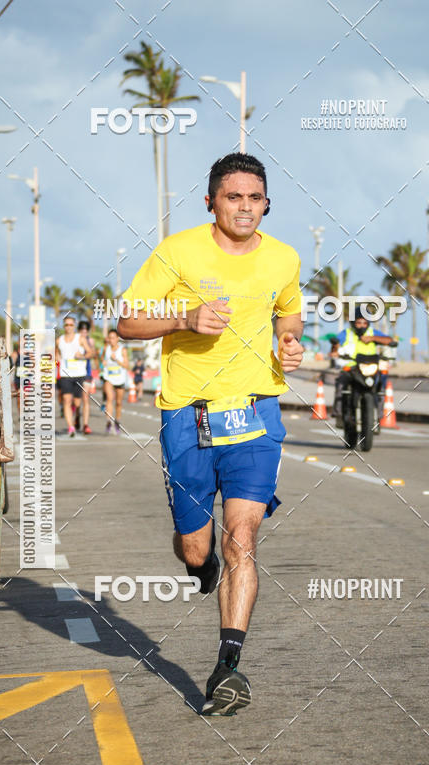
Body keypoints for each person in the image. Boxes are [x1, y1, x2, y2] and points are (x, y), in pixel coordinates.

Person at [117, 152, 304, 716]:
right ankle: (202, 569)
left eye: (254, 198)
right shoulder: (177, 253)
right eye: (233, 197)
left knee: (242, 537)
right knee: (198, 546)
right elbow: (126, 322)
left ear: (266, 204)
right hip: (187, 415)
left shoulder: (284, 258)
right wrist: (183, 319)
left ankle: (228, 666)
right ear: (211, 202)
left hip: (256, 413)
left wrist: (289, 342)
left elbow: (288, 314)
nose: (244, 208)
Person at [333, 311, 396, 427]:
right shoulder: (347, 333)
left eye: (364, 323)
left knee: (381, 386)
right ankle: (339, 415)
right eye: (359, 323)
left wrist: (372, 338)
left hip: (370, 366)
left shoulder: (372, 332)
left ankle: (378, 416)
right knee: (341, 384)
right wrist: (335, 348)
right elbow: (336, 343)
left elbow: (389, 340)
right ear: (353, 323)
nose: (362, 325)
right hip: (352, 366)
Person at [56, 315, 92, 437]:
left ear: (74, 326)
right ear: (64, 326)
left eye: (71, 325)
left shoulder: (80, 339)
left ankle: (77, 416)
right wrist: (56, 363)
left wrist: (82, 356)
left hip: (79, 374)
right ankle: (70, 427)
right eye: (66, 325)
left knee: (77, 403)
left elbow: (91, 352)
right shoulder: (59, 340)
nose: (69, 327)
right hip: (65, 375)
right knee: (67, 400)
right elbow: (56, 356)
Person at [101, 328, 129, 433]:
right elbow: (102, 359)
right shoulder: (106, 348)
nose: (111, 340)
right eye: (110, 338)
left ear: (117, 338)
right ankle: (109, 421)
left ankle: (117, 421)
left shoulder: (122, 350)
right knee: (109, 398)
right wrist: (103, 362)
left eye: (113, 338)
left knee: (118, 402)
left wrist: (116, 359)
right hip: (109, 377)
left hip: (120, 379)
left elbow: (127, 365)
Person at [78, 320, 96, 434]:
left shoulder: (90, 341)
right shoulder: (74, 341)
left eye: (86, 330)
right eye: (82, 330)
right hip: (74, 373)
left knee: (85, 399)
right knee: (75, 402)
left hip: (87, 372)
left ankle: (85, 424)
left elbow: (93, 353)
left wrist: (84, 355)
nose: (84, 332)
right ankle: (76, 416)